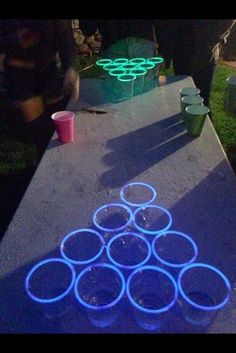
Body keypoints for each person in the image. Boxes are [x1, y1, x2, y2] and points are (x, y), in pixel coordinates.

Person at [0, 19, 79, 154]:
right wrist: (17, 39)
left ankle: (60, 166)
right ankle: (43, 170)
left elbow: (66, 40)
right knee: (39, 130)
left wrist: (70, 68)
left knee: (57, 127)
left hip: (49, 72)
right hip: (20, 75)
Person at [156, 19, 236, 111]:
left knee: (202, 100)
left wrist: (211, 41)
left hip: (205, 52)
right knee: (184, 95)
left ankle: (202, 122)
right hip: (181, 49)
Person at [79, 19, 158, 59]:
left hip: (113, 42)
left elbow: (88, 28)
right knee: (146, 85)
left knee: (115, 87)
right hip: (143, 41)